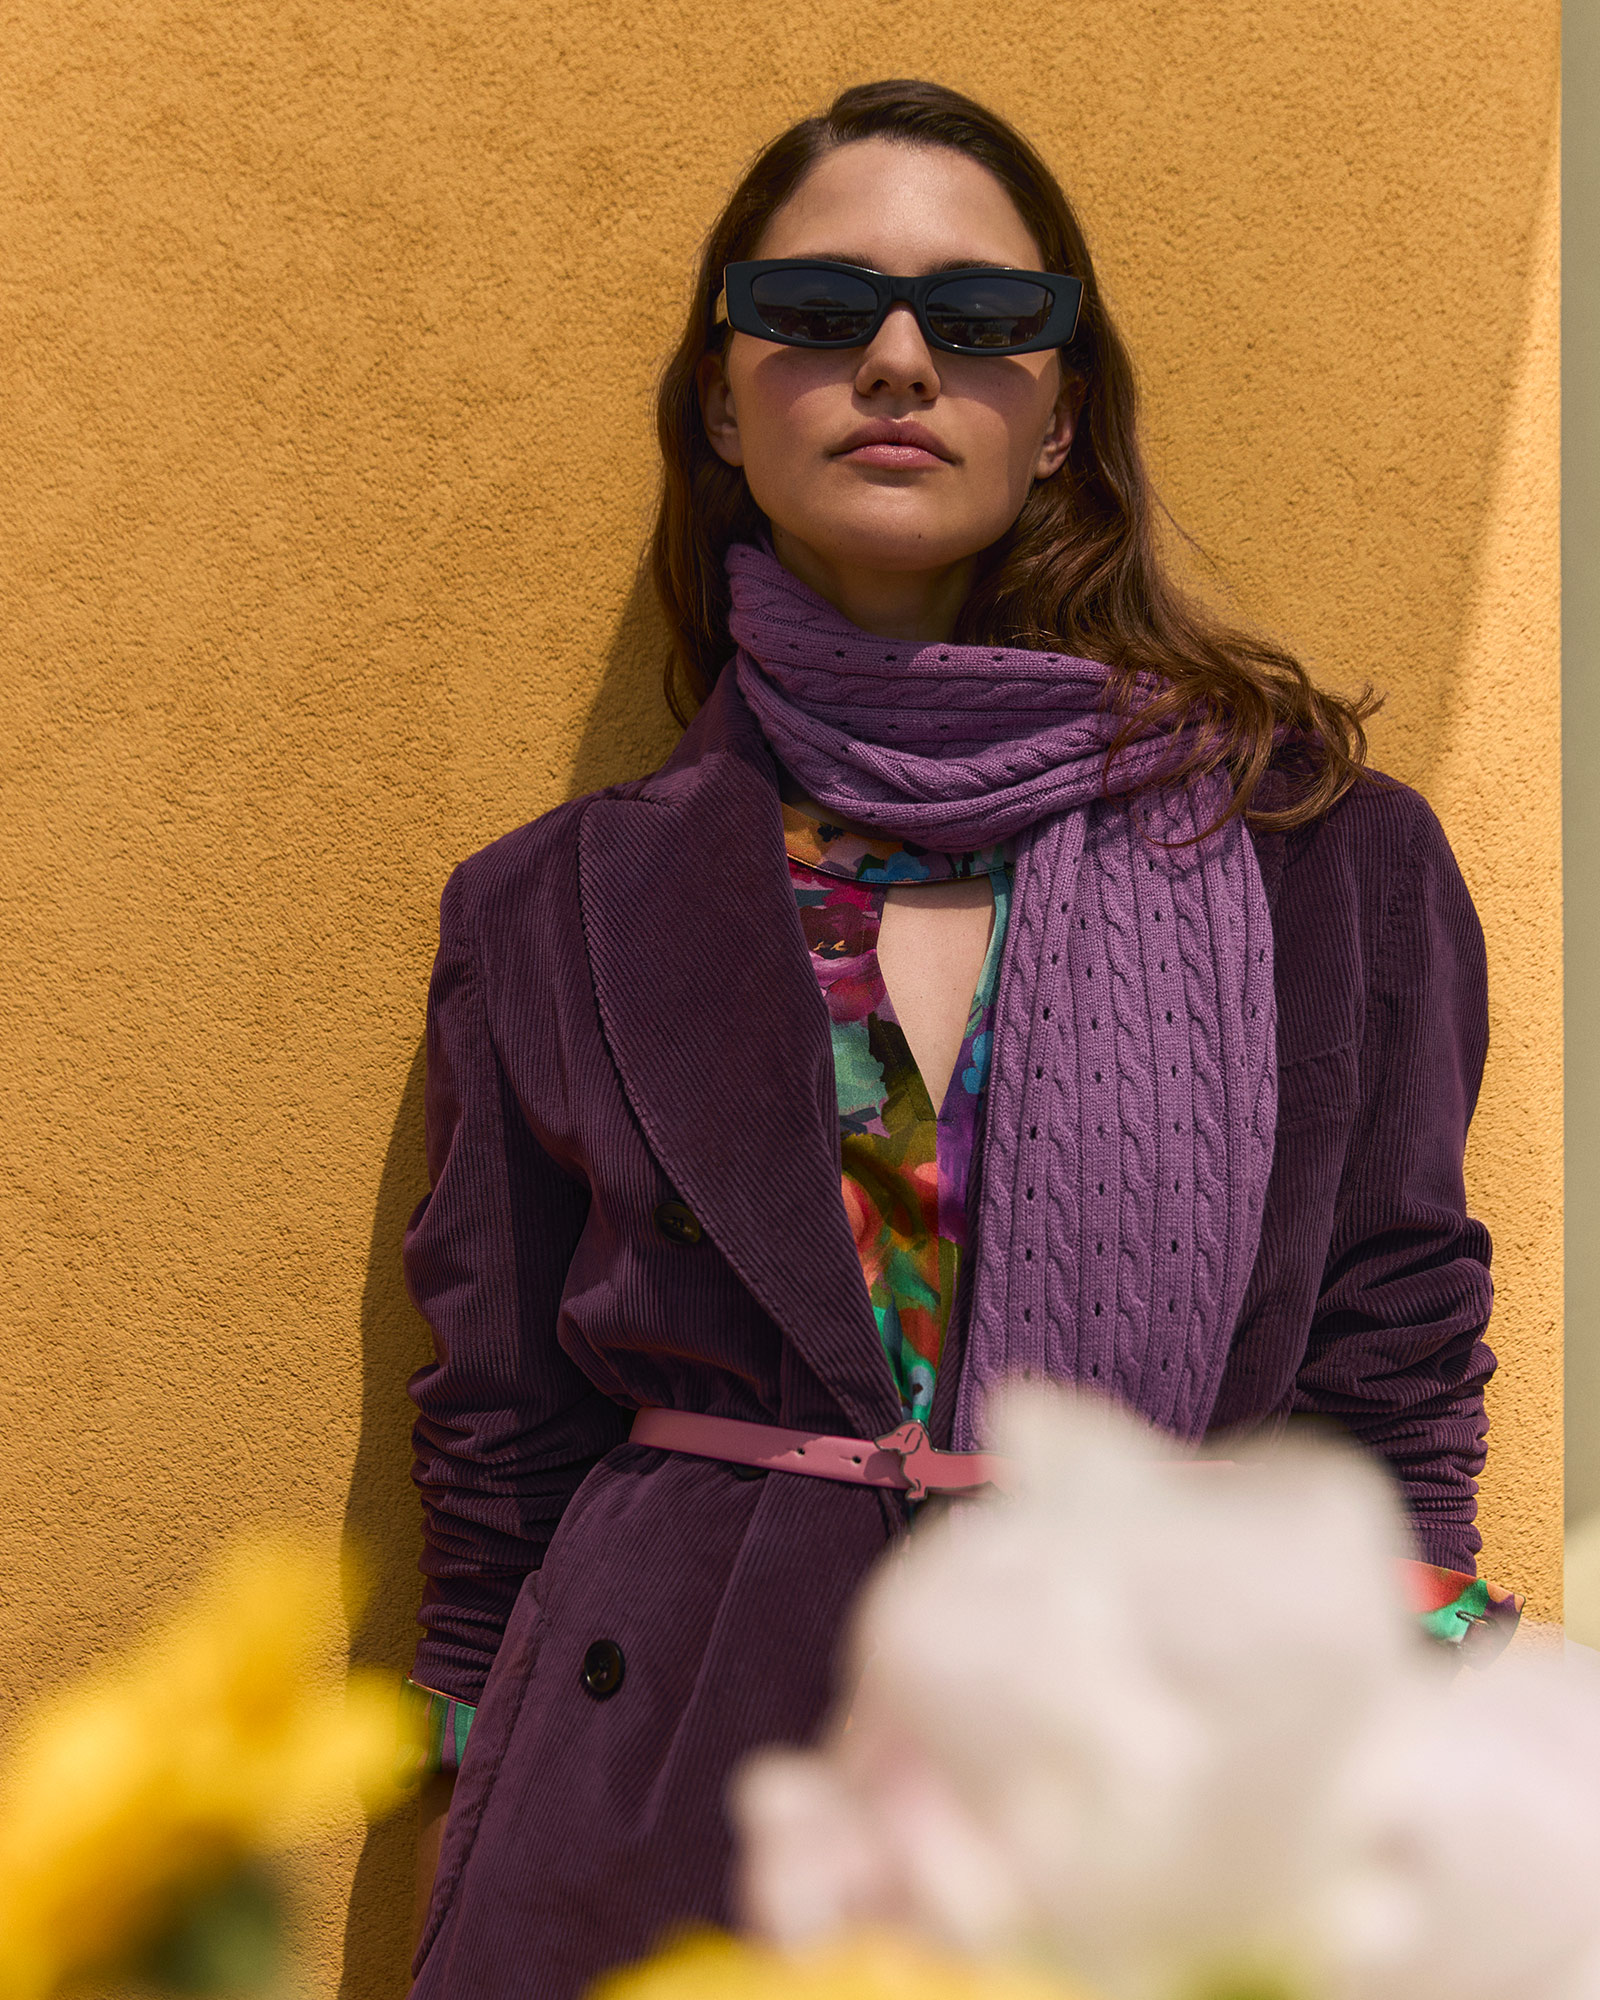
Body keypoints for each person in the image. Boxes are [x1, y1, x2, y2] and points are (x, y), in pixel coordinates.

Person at [401, 78, 1507, 2000]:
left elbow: (1389, 1340)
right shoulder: (555, 903)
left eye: (984, 321)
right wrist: (474, 1764)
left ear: (1064, 411)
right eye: (819, 310)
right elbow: (498, 1415)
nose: (900, 360)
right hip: (661, 1787)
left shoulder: (1328, 861)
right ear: (724, 405)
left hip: (1134, 1770)